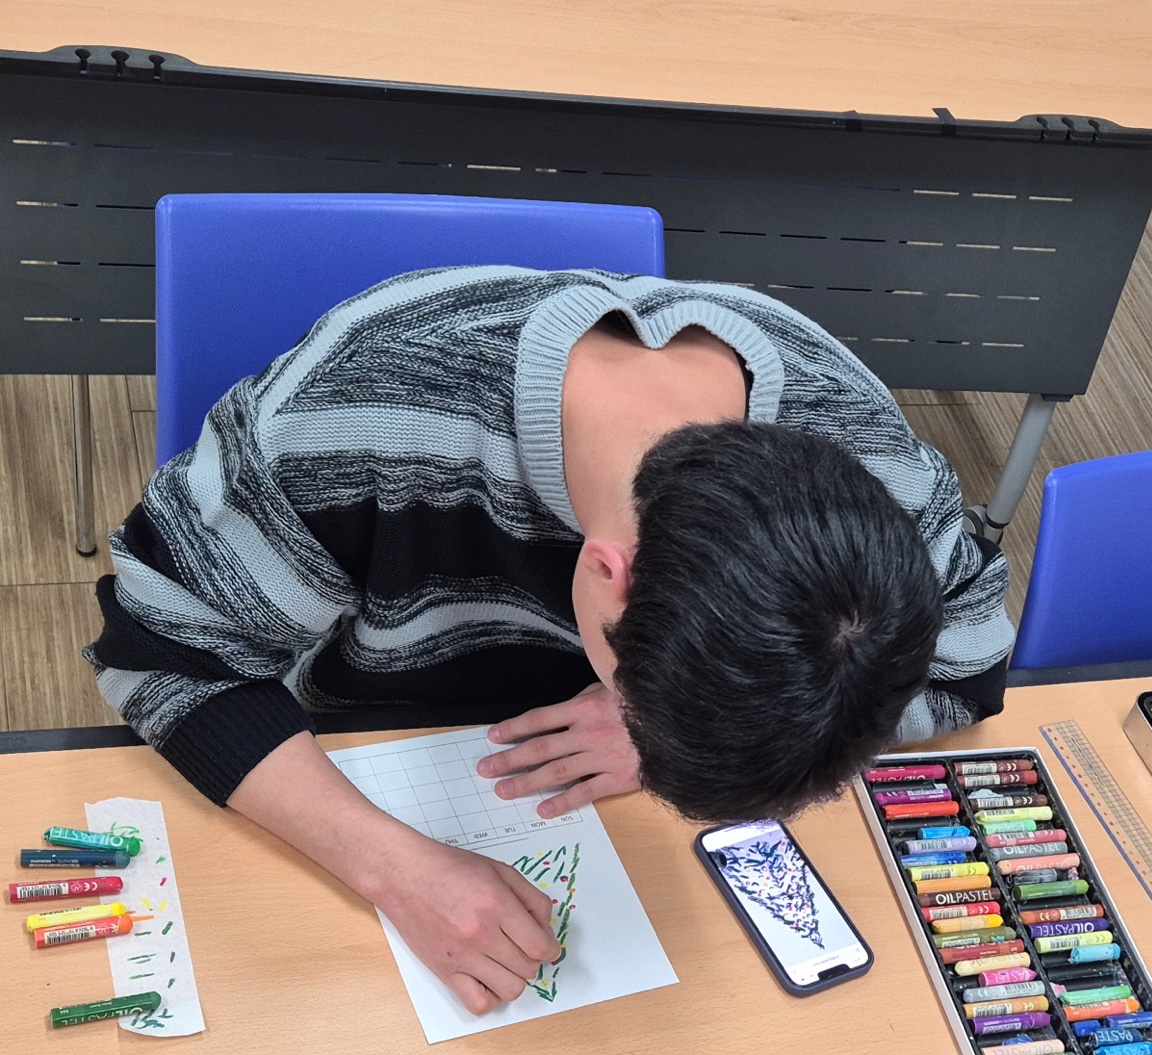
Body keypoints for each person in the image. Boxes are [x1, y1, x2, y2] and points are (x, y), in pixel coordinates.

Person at [87, 267, 1013, 1014]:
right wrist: (393, 869)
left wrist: (666, 734)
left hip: (588, 813)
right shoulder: (354, 412)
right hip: (359, 734)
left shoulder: (872, 462)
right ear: (609, 575)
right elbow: (163, 654)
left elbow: (965, 673)